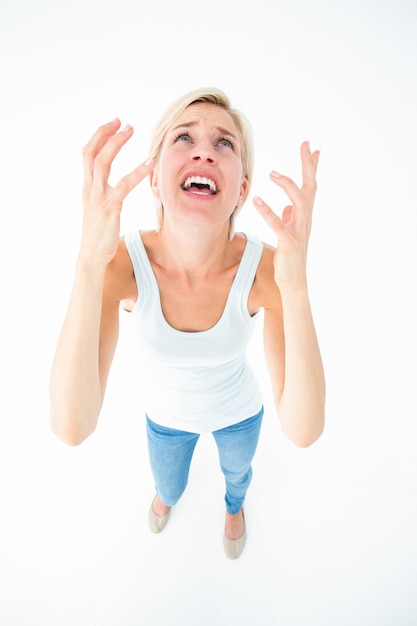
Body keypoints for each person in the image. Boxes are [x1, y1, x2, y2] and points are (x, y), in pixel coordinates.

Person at [49, 87, 325, 559]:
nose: (203, 150)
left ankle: (234, 507)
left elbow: (303, 430)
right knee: (168, 484)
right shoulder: (121, 264)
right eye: (183, 138)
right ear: (155, 178)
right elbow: (71, 427)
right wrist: (87, 264)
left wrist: (296, 288)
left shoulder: (268, 272)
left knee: (238, 476)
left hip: (239, 414)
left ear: (240, 188)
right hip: (167, 419)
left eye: (225, 143)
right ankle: (168, 497)